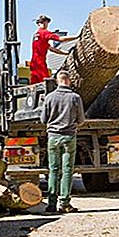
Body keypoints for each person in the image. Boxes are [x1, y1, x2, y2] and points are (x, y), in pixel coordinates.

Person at [40, 70, 85, 213]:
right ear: (69, 81)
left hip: (53, 137)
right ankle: (64, 203)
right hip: (69, 137)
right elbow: (81, 120)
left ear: (57, 81)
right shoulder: (75, 97)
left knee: (53, 170)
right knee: (67, 170)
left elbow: (43, 119)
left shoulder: (49, 97)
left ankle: (51, 204)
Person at [30, 15, 78, 84]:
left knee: (35, 85)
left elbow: (52, 49)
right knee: (47, 83)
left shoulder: (36, 35)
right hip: (40, 63)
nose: (45, 24)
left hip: (34, 63)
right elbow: (60, 39)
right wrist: (76, 36)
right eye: (44, 22)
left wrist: (66, 53)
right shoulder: (44, 32)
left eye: (45, 22)